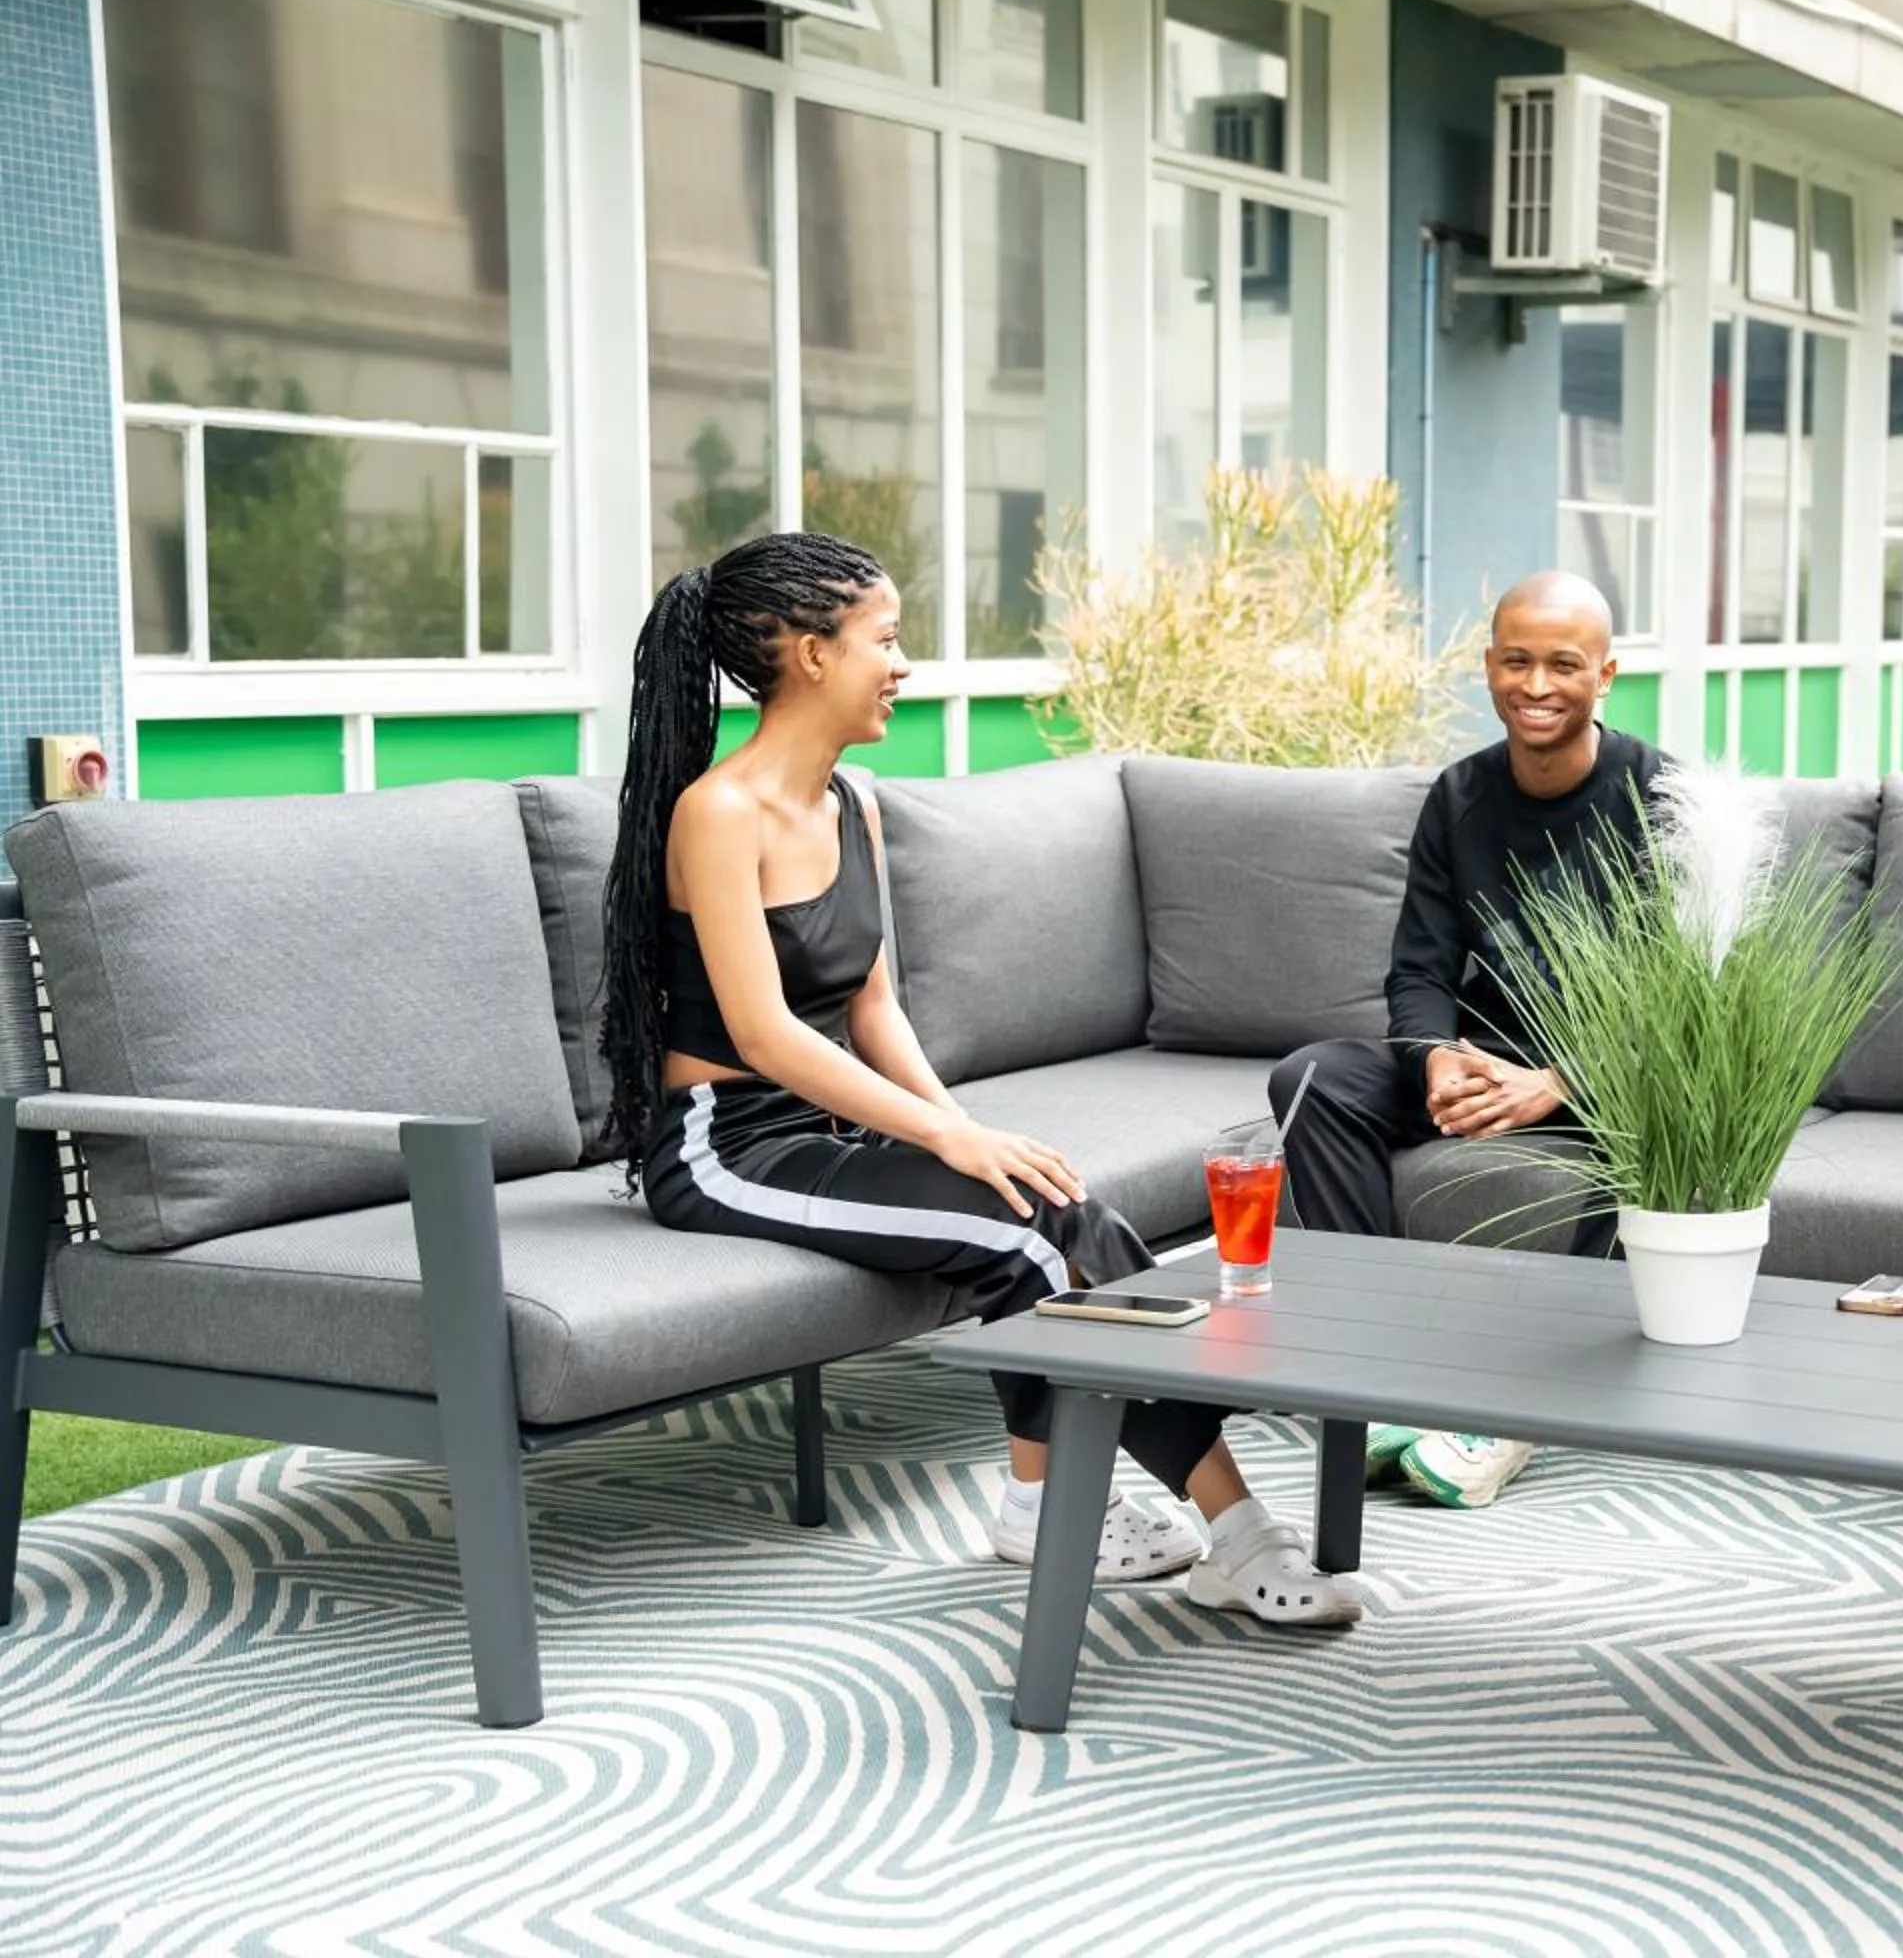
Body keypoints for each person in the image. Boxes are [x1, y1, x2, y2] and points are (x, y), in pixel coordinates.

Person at [600, 532, 1361, 1627]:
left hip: (835, 1127)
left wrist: (965, 1132)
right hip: (728, 1145)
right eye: (885, 638)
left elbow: (871, 1008)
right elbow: (764, 1034)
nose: (903, 664)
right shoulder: (718, 813)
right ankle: (1222, 1533)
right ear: (811, 654)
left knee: (1054, 1203)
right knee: (1027, 1232)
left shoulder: (852, 802)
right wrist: (945, 1143)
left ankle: (1062, 1502)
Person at [1269, 571, 1660, 1510]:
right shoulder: (1459, 796)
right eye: (1515, 661)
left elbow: (1678, 1002)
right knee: (1312, 1079)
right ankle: (1380, 1367)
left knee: (1674, 1127)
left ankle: (1525, 1409)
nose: (1536, 685)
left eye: (1563, 665)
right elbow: (1420, 970)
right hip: (1486, 1050)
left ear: (1604, 674)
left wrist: (1557, 1083)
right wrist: (1436, 1058)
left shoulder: (1660, 795)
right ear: (1488, 668)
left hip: (1618, 1067)